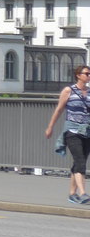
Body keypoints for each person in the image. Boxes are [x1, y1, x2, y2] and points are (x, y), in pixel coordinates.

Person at [44, 64, 90, 205]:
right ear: (78, 75)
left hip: (87, 131)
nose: (88, 76)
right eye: (86, 73)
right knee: (80, 161)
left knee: (78, 163)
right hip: (72, 131)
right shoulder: (68, 91)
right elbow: (58, 110)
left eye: (89, 74)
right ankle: (82, 193)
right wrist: (50, 127)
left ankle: (72, 194)